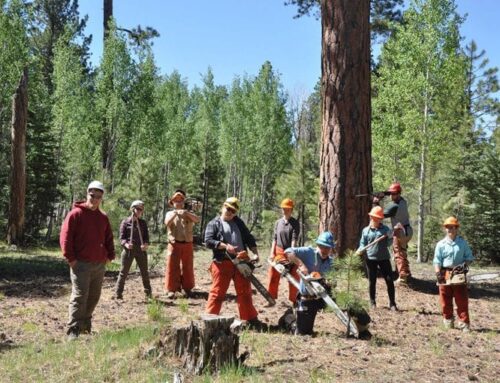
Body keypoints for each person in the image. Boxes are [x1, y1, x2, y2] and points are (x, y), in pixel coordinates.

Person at [60, 181, 115, 340]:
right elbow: (65, 238)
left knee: (94, 296)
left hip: (99, 264)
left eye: (98, 196)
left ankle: (85, 326)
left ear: (102, 198)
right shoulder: (76, 214)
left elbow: (108, 237)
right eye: (92, 195)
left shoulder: (103, 217)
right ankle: (73, 329)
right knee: (79, 295)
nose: (95, 199)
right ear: (87, 194)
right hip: (80, 264)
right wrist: (71, 259)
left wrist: (109, 255)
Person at [204, 197, 262, 327]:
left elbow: (249, 238)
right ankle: (209, 318)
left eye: (233, 211)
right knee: (217, 292)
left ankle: (250, 318)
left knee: (245, 291)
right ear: (223, 207)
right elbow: (208, 241)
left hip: (241, 262)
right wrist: (224, 246)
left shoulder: (239, 222)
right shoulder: (214, 223)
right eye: (228, 209)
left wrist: (255, 253)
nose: (230, 212)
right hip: (222, 263)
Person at [283, 231, 335, 335]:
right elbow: (288, 251)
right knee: (303, 332)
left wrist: (331, 282)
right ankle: (288, 318)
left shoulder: (331, 262)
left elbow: (334, 280)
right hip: (307, 297)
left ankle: (361, 327)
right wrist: (301, 264)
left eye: (327, 248)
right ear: (318, 245)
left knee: (345, 305)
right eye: (322, 247)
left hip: (323, 296)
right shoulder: (308, 252)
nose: (324, 250)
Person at [433, 217, 474, 332]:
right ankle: (448, 320)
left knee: (461, 300)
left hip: (459, 272)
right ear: (445, 229)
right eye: (447, 227)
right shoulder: (440, 244)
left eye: (452, 227)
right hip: (444, 272)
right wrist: (438, 273)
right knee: (445, 299)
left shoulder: (462, 243)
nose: (450, 229)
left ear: (456, 228)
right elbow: (436, 260)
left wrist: (463, 266)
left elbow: (469, 258)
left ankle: (464, 323)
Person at [357, 206, 397, 311]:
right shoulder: (365, 231)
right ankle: (372, 302)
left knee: (389, 281)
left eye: (379, 218)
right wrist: (360, 249)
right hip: (370, 259)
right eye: (374, 217)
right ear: (371, 217)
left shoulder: (386, 229)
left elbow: (389, 243)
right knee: (372, 281)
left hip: (384, 258)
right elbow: (363, 244)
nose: (376, 219)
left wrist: (389, 237)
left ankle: (392, 304)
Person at [373, 182, 413, 284]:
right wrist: (384, 194)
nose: (391, 195)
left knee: (398, 254)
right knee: (403, 252)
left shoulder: (394, 206)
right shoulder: (403, 201)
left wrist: (377, 202)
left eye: (393, 194)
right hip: (407, 230)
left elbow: (380, 215)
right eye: (390, 194)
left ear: (398, 194)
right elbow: (392, 196)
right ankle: (407, 273)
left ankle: (403, 277)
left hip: (400, 232)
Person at [164, 189, 200, 298]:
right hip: (174, 243)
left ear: (183, 203)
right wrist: (176, 214)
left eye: (180, 201)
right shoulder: (169, 213)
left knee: (188, 266)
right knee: (172, 266)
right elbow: (167, 223)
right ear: (172, 203)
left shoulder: (188, 213)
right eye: (176, 201)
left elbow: (197, 220)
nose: (178, 203)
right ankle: (171, 289)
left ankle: (188, 289)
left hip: (187, 244)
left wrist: (186, 213)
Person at [113, 200, 151, 300]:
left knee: (144, 272)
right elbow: (121, 238)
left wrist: (145, 245)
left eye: (141, 209)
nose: (139, 211)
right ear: (132, 209)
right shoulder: (125, 222)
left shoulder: (143, 223)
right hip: (128, 251)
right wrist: (126, 244)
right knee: (123, 272)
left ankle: (149, 294)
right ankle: (118, 294)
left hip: (141, 251)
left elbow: (146, 238)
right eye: (137, 209)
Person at [267, 198, 300, 305]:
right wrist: (272, 253)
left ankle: (294, 300)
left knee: (294, 275)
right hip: (278, 251)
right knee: (273, 274)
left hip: (290, 251)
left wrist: (291, 254)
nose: (284, 210)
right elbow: (275, 239)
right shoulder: (278, 223)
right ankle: (271, 298)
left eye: (287, 208)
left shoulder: (295, 223)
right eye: (283, 208)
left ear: (291, 209)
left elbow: (294, 239)